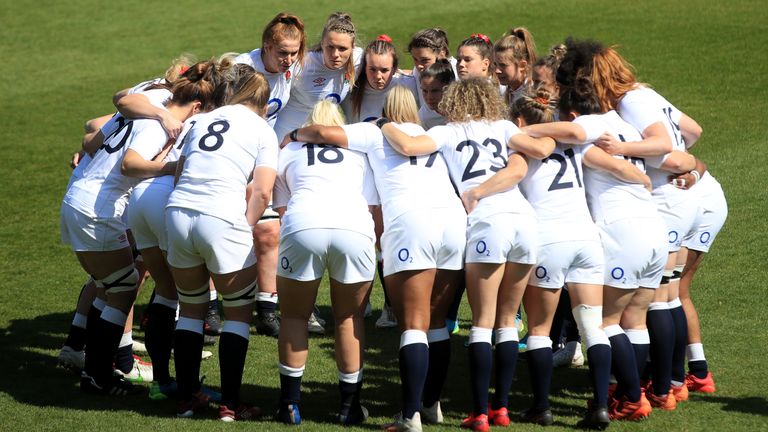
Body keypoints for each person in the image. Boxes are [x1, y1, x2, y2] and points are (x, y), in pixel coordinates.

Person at [380, 77, 554, 432]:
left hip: (488, 222)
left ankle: (479, 412)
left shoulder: (447, 132)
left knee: (482, 322)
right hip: (525, 220)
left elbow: (410, 146)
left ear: (454, 101)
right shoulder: (505, 126)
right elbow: (539, 151)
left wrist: (383, 124)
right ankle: (501, 408)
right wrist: (556, 130)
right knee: (509, 320)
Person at [288, 86, 466, 431]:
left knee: (413, 323)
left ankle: (410, 415)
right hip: (454, 223)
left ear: (386, 109)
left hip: (413, 222)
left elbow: (324, 132)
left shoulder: (374, 131)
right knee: (437, 323)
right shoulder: (431, 135)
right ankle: (432, 405)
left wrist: (294, 134)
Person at [60, 61, 217, 397]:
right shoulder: (158, 125)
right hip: (98, 209)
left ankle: (95, 368)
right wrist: (174, 166)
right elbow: (130, 165)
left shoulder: (141, 111)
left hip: (80, 198)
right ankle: (98, 375)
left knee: (110, 284)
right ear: (197, 106)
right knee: (123, 285)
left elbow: (93, 136)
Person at [165, 64, 277, 421]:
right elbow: (262, 191)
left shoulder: (201, 120)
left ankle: (187, 399)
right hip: (222, 217)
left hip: (178, 212)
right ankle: (230, 403)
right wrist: (242, 227)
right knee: (239, 314)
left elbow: (181, 170)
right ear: (261, 100)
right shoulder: (262, 128)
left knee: (192, 308)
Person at [504, 88, 616, 428]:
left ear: (520, 121)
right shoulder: (574, 143)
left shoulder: (519, 145)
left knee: (538, 329)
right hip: (586, 239)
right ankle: (599, 406)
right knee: (592, 326)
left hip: (549, 241)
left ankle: (541, 406)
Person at [121, 61, 228, 400]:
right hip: (167, 199)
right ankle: (188, 387)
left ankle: (161, 382)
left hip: (140, 198)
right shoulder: (220, 122)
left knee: (166, 291)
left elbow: (118, 104)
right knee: (189, 300)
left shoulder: (179, 114)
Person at [273, 100, 376, 425]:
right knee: (348, 318)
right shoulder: (359, 153)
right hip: (355, 227)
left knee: (293, 316)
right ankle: (349, 408)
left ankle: (289, 405)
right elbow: (372, 205)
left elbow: (282, 208)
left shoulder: (288, 151)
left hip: (304, 223)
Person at [235, 12, 308, 337]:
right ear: (266, 46)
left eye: (294, 53)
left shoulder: (290, 70)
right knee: (223, 227)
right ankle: (206, 308)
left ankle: (266, 309)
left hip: (263, 162)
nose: (289, 60)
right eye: (282, 53)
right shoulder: (242, 70)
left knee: (269, 233)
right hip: (232, 162)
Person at [273, 11, 362, 141]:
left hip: (324, 136)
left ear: (353, 47)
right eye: (330, 47)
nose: (335, 54)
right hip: (287, 135)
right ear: (322, 44)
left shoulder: (360, 60)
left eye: (342, 49)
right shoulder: (302, 65)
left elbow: (390, 69)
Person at [408, 28, 457, 108]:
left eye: (425, 60)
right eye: (415, 59)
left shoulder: (457, 73)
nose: (419, 66)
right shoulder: (419, 71)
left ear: (442, 53)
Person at [492, 28, 537, 104]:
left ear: (522, 65)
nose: (497, 71)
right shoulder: (504, 90)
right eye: (495, 64)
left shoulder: (531, 97)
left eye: (503, 65)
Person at [418, 59, 456, 130]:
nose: (429, 97)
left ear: (450, 88)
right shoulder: (423, 117)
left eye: (435, 91)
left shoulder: (466, 107)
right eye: (425, 91)